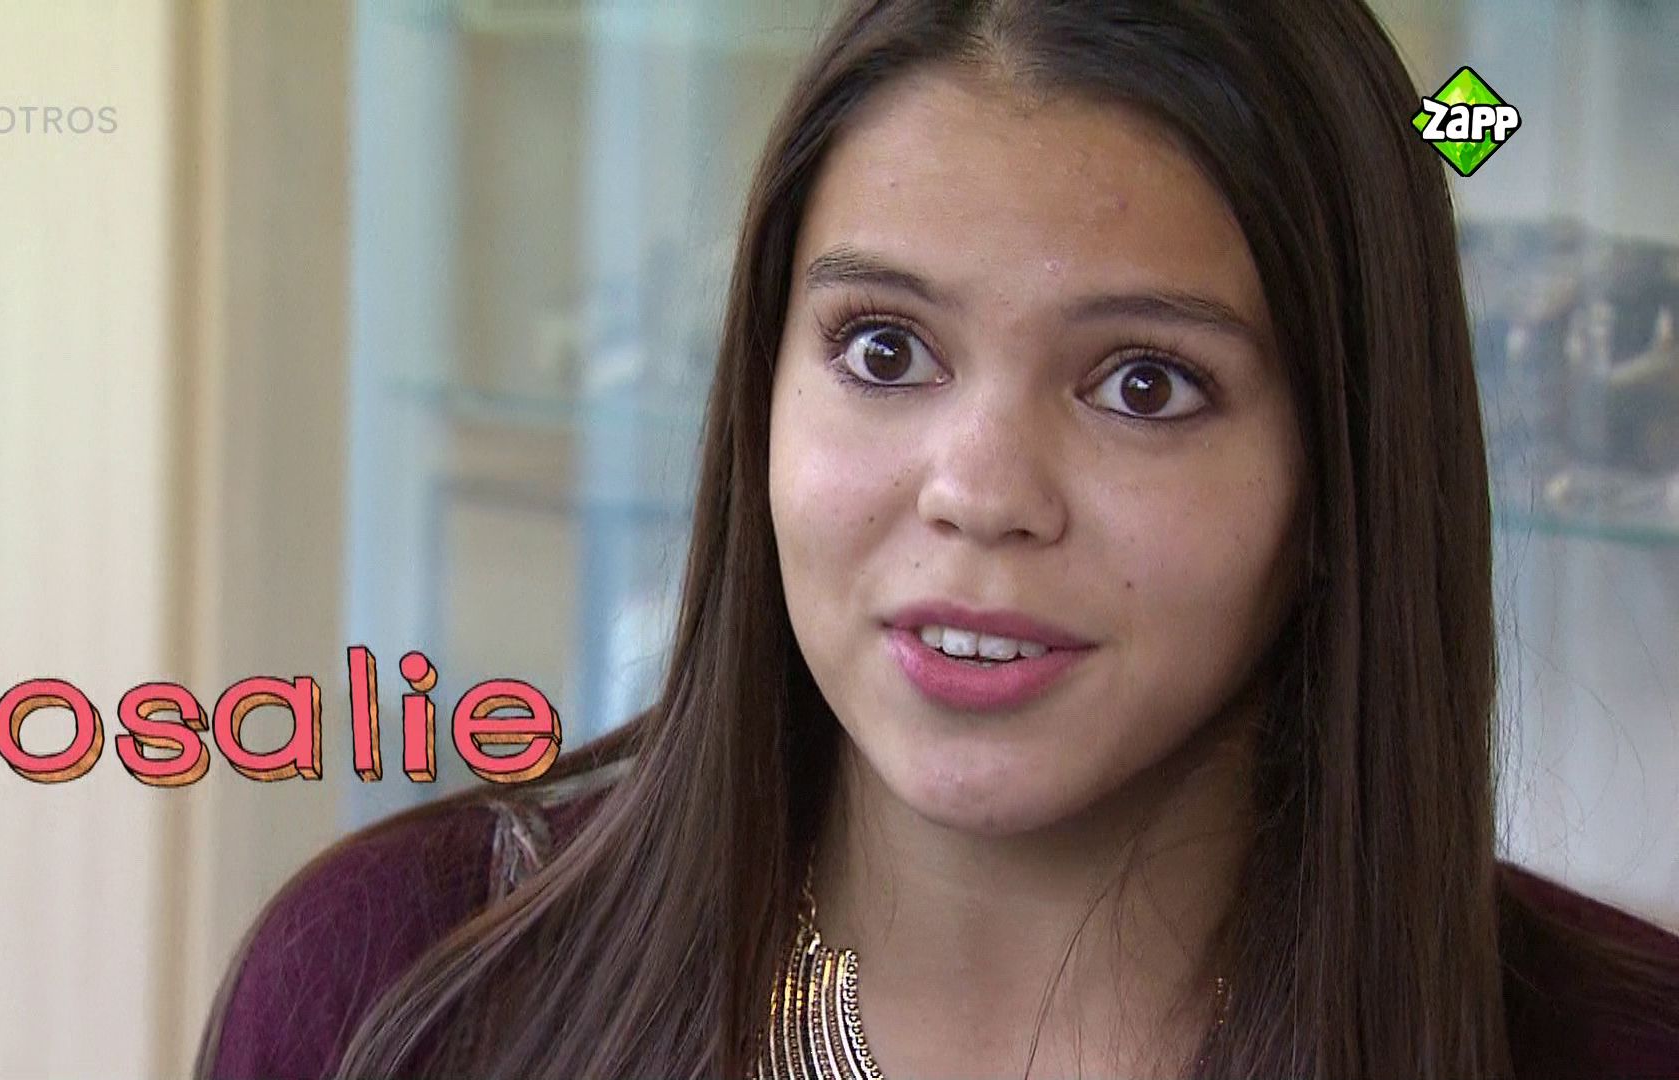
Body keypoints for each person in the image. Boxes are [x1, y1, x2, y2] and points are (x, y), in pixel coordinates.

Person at [195, 1, 1679, 1077]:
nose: (978, 490)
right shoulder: (392, 989)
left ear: (1344, 470)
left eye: (1144, 385)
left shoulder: (1618, 1044)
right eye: (885, 350)